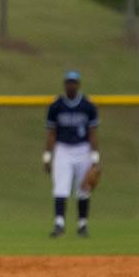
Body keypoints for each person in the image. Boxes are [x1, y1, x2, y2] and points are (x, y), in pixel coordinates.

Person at [44, 71, 100, 238]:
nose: (71, 85)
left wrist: (95, 158)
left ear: (78, 84)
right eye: (68, 82)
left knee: (84, 189)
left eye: (74, 82)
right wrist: (47, 156)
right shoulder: (56, 106)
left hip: (83, 149)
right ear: (64, 84)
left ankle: (82, 225)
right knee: (60, 187)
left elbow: (92, 133)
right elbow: (52, 133)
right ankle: (59, 224)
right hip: (63, 149)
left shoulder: (88, 106)